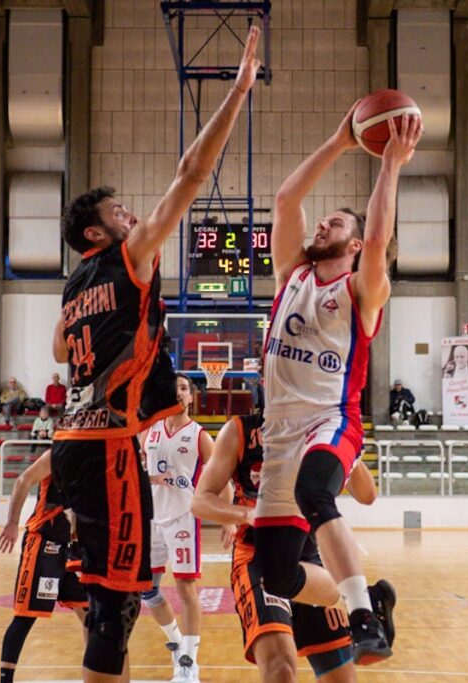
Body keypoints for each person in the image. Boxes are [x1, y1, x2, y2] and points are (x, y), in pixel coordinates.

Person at [49, 28, 261, 682]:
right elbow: (191, 174)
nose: (132, 214)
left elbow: (60, 347)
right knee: (116, 607)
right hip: (111, 448)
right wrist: (239, 91)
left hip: (70, 445)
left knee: (117, 594)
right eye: (119, 212)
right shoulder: (126, 259)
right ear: (96, 232)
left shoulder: (74, 284)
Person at [257, 105, 419, 665]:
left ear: (354, 246)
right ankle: (368, 594)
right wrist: (339, 140)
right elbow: (285, 201)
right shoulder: (292, 276)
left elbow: (378, 241)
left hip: (331, 421)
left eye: (337, 224)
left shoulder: (363, 289)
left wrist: (390, 166)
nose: (323, 224)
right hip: (277, 433)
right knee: (275, 571)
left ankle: (362, 618)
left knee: (315, 492)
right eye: (324, 221)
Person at [191, 410, 390, 683]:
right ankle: (362, 600)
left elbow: (367, 495)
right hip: (256, 558)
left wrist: (344, 440)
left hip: (309, 559)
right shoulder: (239, 430)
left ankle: (362, 602)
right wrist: (245, 514)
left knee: (341, 677)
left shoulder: (324, 430)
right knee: (280, 670)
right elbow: (200, 501)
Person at [0, 451, 113, 683]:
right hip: (42, 543)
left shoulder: (95, 460)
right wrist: (11, 523)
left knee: (89, 614)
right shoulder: (58, 454)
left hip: (71, 547)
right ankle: (5, 679)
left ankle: (95, 674)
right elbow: (23, 480)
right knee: (26, 616)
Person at [139, 374, 214, 683]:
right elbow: (133, 471)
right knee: (148, 590)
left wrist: (230, 521)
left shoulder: (200, 436)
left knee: (185, 589)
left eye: (184, 389)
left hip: (183, 517)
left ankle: (188, 662)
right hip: (151, 518)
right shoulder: (147, 433)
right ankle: (176, 643)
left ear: (192, 397)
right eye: (173, 389)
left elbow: (222, 479)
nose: (179, 393)